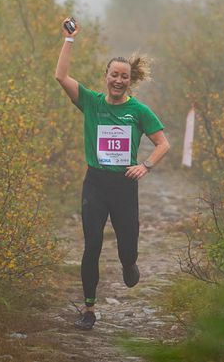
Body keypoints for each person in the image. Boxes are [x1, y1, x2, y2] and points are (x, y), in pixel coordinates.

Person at [55, 18, 170, 331]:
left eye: (124, 77)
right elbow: (60, 76)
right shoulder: (91, 103)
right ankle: (88, 310)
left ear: (130, 81)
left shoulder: (139, 111)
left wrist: (145, 165)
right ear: (106, 77)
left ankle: (128, 262)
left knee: (126, 245)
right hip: (95, 182)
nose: (118, 80)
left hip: (124, 185)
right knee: (91, 245)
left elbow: (163, 143)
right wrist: (69, 39)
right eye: (114, 75)